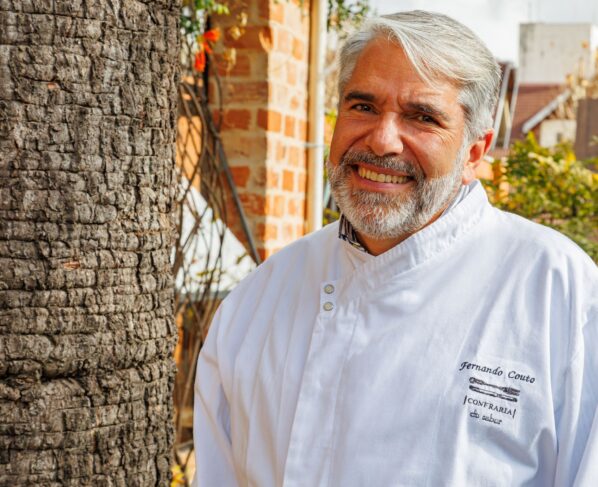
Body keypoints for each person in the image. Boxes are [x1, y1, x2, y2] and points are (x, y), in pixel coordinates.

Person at [192, 11, 597, 487]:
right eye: (362, 107)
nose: (383, 141)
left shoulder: (563, 296)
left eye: (422, 117)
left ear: (474, 152)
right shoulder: (259, 299)